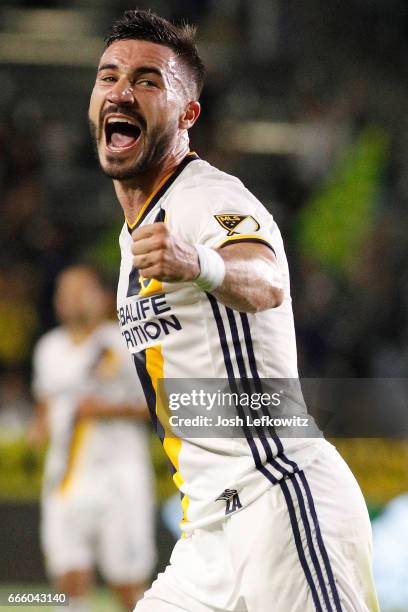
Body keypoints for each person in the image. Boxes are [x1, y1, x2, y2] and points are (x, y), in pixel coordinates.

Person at [88, 9, 379, 612]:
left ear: (187, 114)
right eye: (109, 75)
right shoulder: (134, 235)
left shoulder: (207, 199)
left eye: (147, 80)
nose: (121, 90)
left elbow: (265, 277)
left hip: (278, 503)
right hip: (205, 537)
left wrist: (201, 264)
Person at [29, 266, 156, 612]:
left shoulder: (127, 343)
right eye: (62, 290)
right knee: (68, 580)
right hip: (66, 476)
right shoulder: (48, 348)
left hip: (118, 476)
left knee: (127, 584)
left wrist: (106, 409)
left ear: (102, 296)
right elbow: (45, 405)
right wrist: (38, 429)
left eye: (78, 289)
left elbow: (159, 407)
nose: (67, 298)